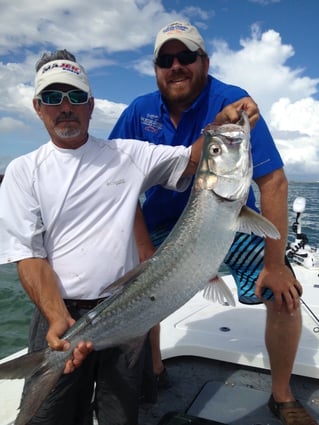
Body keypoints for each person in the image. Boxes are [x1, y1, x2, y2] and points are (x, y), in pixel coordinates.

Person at [0, 49, 256, 425]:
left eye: (75, 97)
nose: (65, 107)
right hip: (60, 313)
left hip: (129, 305)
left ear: (91, 105)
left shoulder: (127, 154)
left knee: (121, 413)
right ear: (39, 108)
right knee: (49, 416)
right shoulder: (23, 171)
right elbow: (28, 254)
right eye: (53, 98)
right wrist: (57, 318)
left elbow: (191, 160)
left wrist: (221, 122)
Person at [109, 21, 317, 425]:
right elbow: (116, 182)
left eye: (186, 56)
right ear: (155, 68)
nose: (176, 66)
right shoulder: (138, 112)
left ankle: (282, 394)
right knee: (138, 289)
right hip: (157, 221)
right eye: (165, 60)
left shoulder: (232, 105)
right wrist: (144, 249)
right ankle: (154, 370)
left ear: (204, 61)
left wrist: (274, 266)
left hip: (229, 217)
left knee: (286, 294)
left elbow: (272, 180)